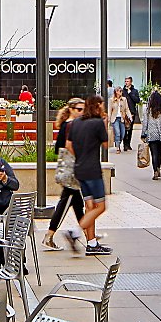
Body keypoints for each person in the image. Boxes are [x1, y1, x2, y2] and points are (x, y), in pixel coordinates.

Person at [67, 95, 114, 255]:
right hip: (93, 170)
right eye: (102, 105)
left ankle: (92, 243)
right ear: (98, 106)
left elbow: (68, 144)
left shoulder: (76, 122)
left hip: (79, 169)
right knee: (100, 206)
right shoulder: (97, 123)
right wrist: (106, 124)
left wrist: (80, 156)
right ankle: (75, 232)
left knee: (89, 207)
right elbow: (107, 144)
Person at [45, 98, 89, 253]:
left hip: (69, 171)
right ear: (71, 109)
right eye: (79, 109)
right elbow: (69, 147)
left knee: (77, 206)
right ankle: (49, 236)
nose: (82, 112)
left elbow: (59, 149)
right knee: (65, 204)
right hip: (72, 172)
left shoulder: (67, 124)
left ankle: (88, 237)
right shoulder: (71, 125)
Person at [139, 91, 161, 181]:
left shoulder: (148, 110)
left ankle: (155, 171)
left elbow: (145, 122)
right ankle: (158, 168)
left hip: (151, 134)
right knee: (159, 152)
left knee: (154, 153)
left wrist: (143, 133)